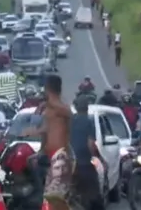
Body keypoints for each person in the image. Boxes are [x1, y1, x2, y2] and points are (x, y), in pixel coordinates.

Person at [23, 75, 73, 210]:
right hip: (51, 156)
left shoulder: (61, 107)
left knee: (56, 197)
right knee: (49, 197)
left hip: (61, 156)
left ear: (48, 88)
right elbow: (47, 131)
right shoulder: (48, 109)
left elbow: (69, 114)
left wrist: (48, 104)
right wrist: (40, 152)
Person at [71, 96, 107, 210]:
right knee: (95, 196)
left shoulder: (70, 121)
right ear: (87, 107)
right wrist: (98, 158)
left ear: (76, 108)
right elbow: (91, 144)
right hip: (84, 164)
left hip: (68, 164)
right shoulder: (88, 122)